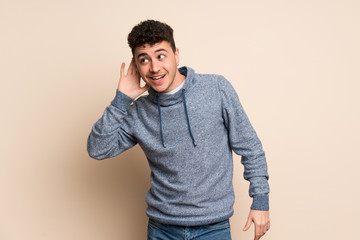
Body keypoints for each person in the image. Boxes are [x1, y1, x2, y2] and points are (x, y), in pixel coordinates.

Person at [87, 19, 270, 240]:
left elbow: (250, 147)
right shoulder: (138, 112)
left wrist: (260, 201)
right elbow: (98, 149)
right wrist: (121, 100)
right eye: (144, 60)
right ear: (135, 66)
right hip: (162, 229)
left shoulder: (216, 89)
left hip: (213, 228)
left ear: (176, 54)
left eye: (161, 56)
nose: (154, 68)